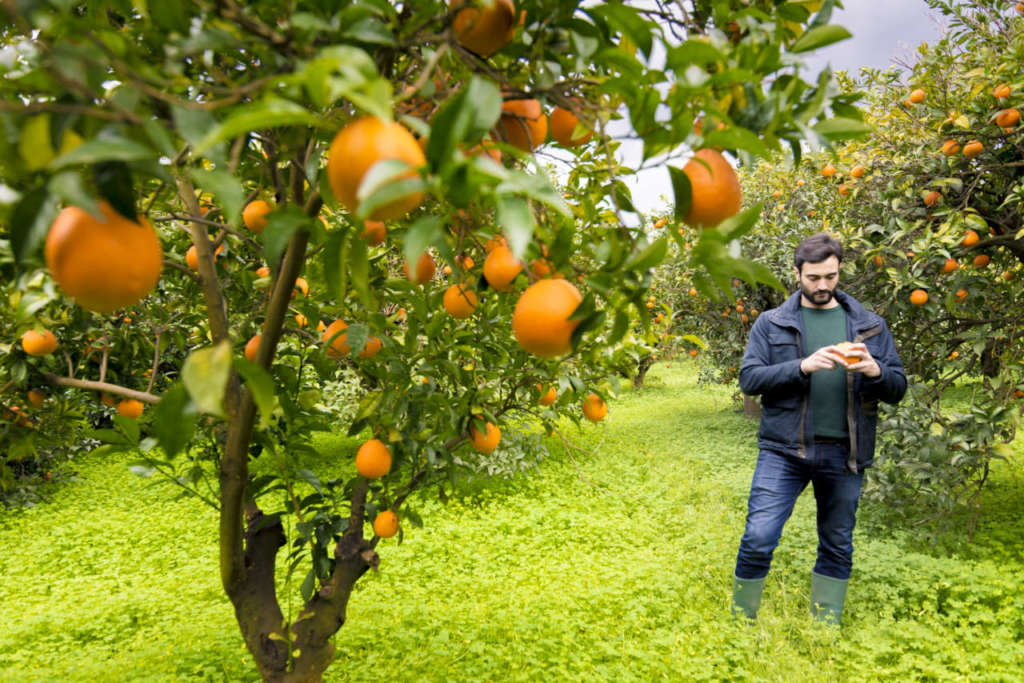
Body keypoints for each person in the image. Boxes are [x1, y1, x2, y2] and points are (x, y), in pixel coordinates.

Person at [730, 232, 906, 625]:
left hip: (846, 453)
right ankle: (741, 620)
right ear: (797, 274)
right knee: (759, 535)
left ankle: (825, 625)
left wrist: (875, 370)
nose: (823, 285)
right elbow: (750, 380)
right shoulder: (771, 323)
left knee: (837, 542)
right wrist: (802, 366)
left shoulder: (870, 326)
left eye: (831, 276)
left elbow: (898, 388)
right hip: (784, 450)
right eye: (813, 278)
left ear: (839, 271)